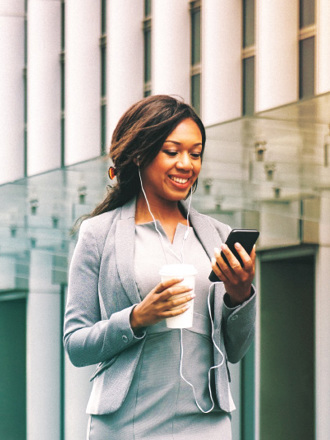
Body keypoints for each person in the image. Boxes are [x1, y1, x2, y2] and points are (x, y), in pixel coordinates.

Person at [64, 95, 256, 440]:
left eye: (195, 154)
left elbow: (236, 350)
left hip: (206, 422)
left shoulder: (218, 236)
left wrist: (240, 295)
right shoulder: (98, 235)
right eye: (172, 151)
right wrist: (137, 317)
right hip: (127, 423)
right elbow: (76, 344)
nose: (187, 164)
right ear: (140, 153)